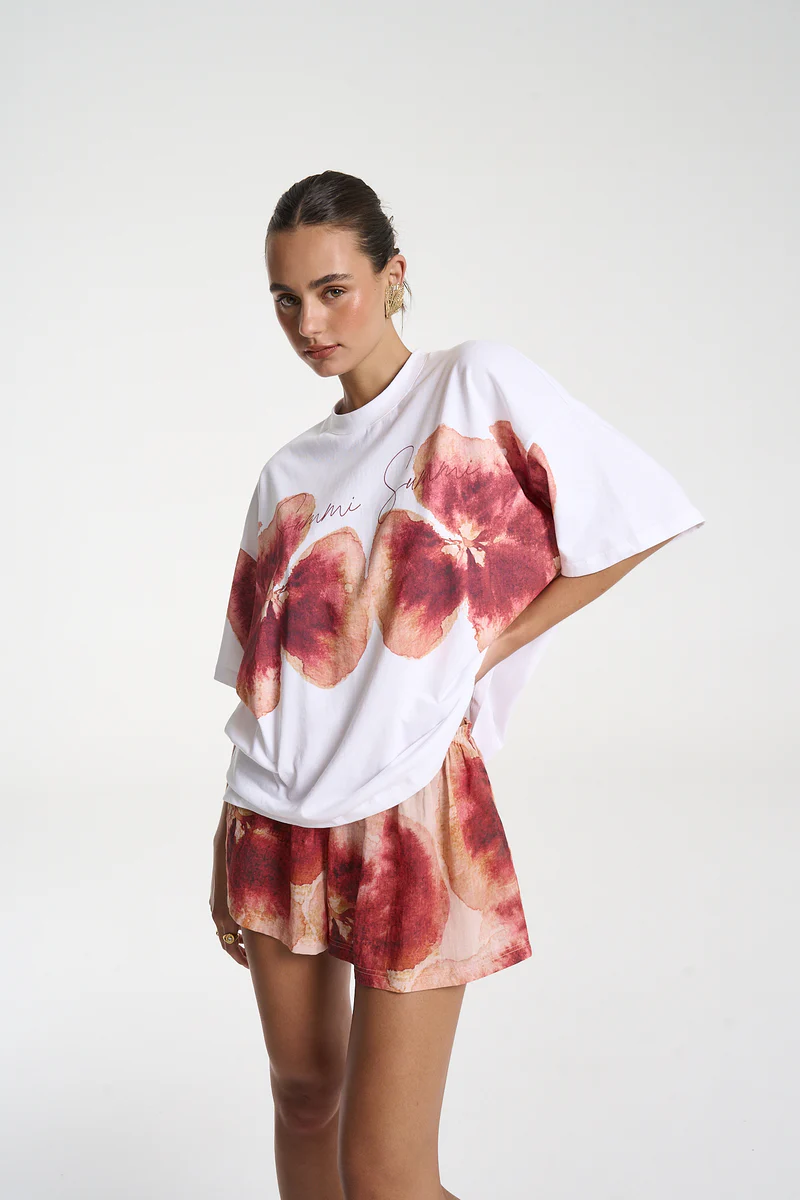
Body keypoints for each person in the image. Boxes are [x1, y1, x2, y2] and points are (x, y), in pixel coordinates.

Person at [208, 170, 705, 1200]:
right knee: (302, 1096)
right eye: (286, 300)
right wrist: (227, 829)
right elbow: (257, 678)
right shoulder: (284, 475)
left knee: (385, 1173)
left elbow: (633, 515)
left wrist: (489, 642)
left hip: (410, 803)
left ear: (393, 276)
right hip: (272, 816)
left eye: (334, 290)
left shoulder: (472, 385)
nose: (309, 324)